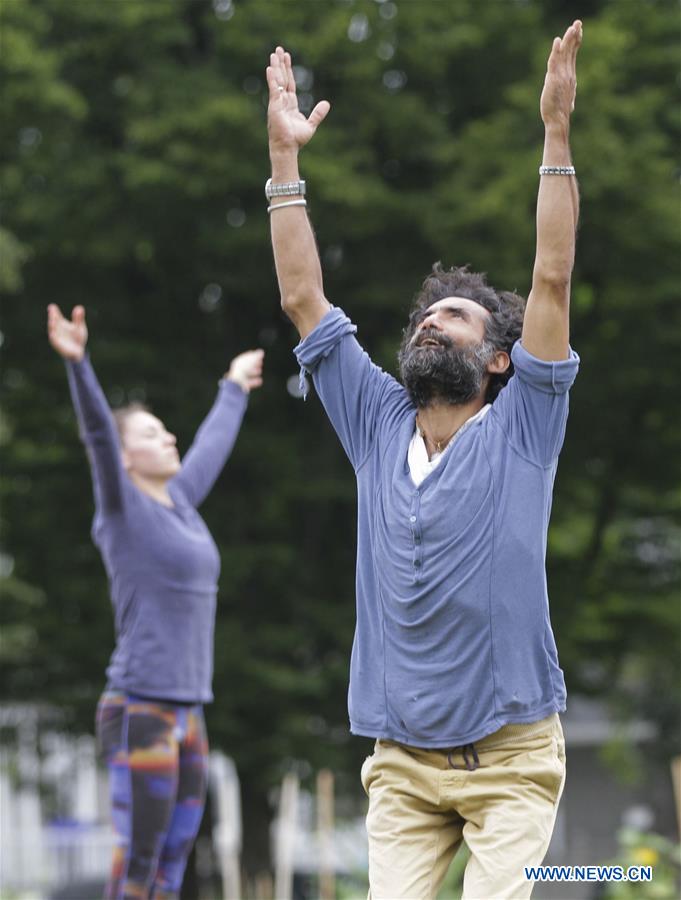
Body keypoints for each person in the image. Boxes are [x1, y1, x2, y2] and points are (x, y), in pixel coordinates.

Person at [266, 19, 582, 900]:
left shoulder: (525, 420)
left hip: (512, 754)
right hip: (402, 763)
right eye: (422, 315)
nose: (427, 322)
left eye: (454, 317)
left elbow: (550, 279)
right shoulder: (375, 418)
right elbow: (301, 296)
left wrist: (555, 132)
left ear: (496, 361)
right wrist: (284, 163)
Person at [47, 303, 263, 899]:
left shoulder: (181, 507)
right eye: (150, 433)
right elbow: (96, 432)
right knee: (141, 860)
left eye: (165, 430)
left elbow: (209, 450)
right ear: (124, 458)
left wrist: (234, 386)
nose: (167, 436)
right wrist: (78, 364)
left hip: (190, 711)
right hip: (140, 707)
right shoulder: (123, 512)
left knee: (172, 862)